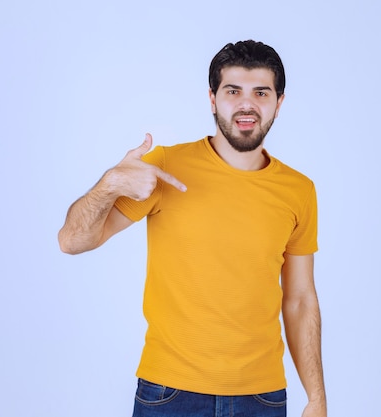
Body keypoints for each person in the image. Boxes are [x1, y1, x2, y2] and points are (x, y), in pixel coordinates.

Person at [58, 40, 326, 417]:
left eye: (261, 92)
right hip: (169, 394)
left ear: (278, 103)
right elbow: (71, 241)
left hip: (263, 398)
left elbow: (300, 299)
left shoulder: (299, 190)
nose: (246, 104)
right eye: (233, 91)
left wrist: (316, 397)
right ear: (213, 99)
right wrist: (110, 184)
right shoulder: (165, 166)